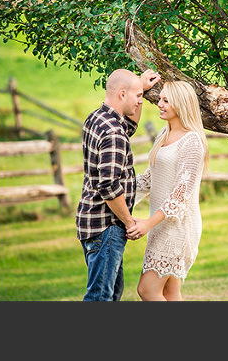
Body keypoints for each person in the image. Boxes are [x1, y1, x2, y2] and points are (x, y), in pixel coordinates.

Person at [76, 67, 161, 301]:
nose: (140, 102)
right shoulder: (113, 132)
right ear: (122, 94)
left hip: (92, 221)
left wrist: (139, 88)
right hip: (107, 225)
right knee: (101, 297)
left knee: (111, 293)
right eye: (138, 97)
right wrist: (129, 221)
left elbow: (130, 126)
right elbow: (109, 186)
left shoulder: (97, 118)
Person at [129, 81, 209, 301]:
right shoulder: (163, 135)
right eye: (159, 99)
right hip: (161, 223)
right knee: (169, 293)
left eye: (166, 100)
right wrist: (119, 196)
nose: (159, 104)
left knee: (147, 290)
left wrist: (146, 224)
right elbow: (149, 180)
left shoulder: (191, 142)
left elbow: (180, 195)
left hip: (178, 226)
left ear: (181, 104)